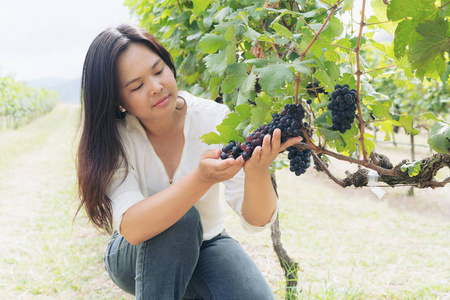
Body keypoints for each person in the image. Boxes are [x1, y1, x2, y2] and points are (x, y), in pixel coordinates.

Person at [76, 23, 301, 300]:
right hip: (135, 252)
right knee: (181, 219)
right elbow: (133, 229)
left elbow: (256, 221)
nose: (156, 87)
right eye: (137, 86)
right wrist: (200, 179)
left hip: (208, 243)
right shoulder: (114, 139)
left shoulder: (213, 117)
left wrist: (257, 171)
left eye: (159, 71)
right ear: (118, 101)